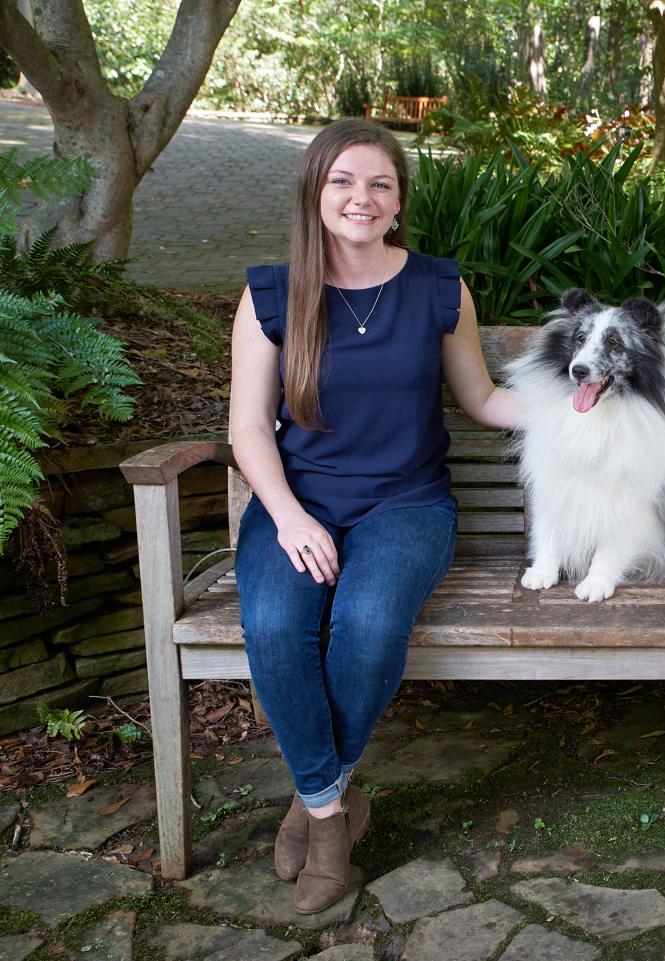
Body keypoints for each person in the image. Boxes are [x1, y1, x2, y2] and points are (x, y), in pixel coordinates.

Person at [229, 119, 521, 914]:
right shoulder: (269, 294)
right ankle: (334, 816)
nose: (362, 198)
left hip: (407, 503)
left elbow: (485, 399)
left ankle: (312, 801)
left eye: (380, 184)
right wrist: (287, 516)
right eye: (344, 182)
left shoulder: (438, 288)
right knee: (278, 626)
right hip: (300, 504)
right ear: (315, 193)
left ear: (398, 201)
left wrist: (590, 412)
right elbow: (248, 427)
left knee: (366, 621)